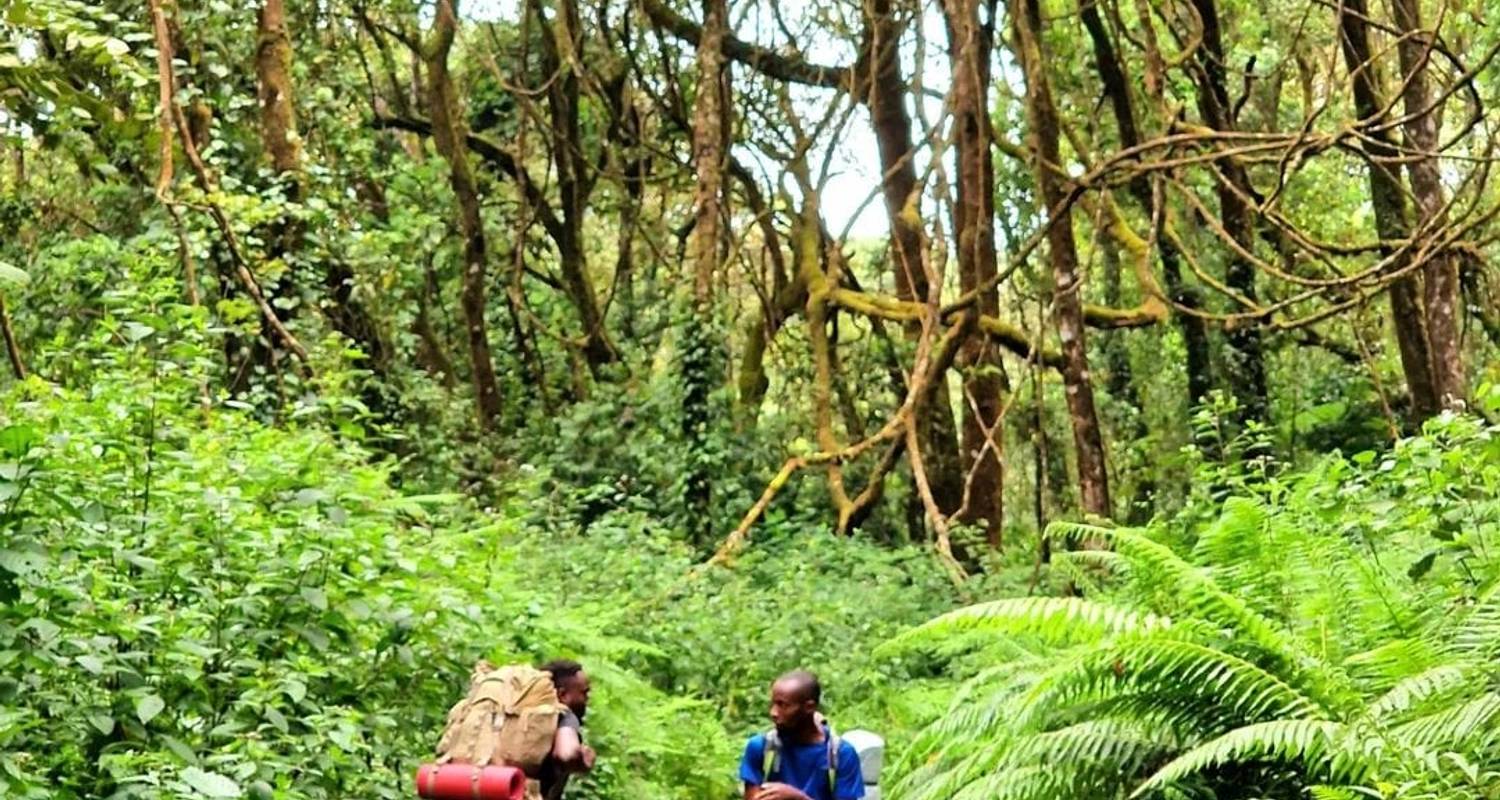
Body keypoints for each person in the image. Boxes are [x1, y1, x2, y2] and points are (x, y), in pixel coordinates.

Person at [739, 671, 865, 800]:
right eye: (773, 704)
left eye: (783, 705)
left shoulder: (840, 754)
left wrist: (797, 798)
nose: (773, 713)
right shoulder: (761, 748)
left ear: (809, 707)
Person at [537, 659, 595, 800]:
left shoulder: (522, 715)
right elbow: (566, 753)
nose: (587, 699)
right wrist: (582, 757)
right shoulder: (565, 716)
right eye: (584, 693)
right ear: (562, 695)